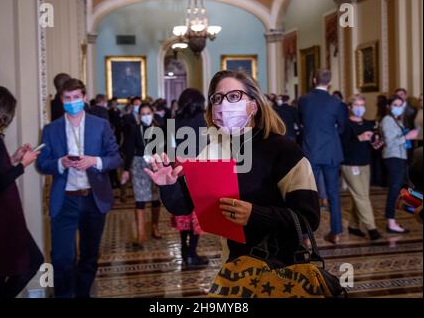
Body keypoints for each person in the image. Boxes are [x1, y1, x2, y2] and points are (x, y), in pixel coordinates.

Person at [146, 70, 320, 266]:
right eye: (217, 98)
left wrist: (254, 214)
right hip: (233, 265)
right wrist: (169, 184)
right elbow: (183, 206)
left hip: (281, 265)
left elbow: (308, 218)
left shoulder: (285, 150)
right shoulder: (215, 149)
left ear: (253, 105)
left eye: (234, 96)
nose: (223, 104)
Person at [37, 79, 122, 298]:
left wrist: (94, 161)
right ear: (61, 100)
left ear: (84, 98)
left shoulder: (100, 125)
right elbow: (42, 163)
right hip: (65, 199)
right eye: (68, 98)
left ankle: (82, 293)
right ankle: (65, 295)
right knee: (62, 257)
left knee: (89, 256)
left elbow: (115, 158)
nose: (72, 102)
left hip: (93, 198)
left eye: (76, 97)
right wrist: (60, 163)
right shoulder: (51, 129)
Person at [0, 86, 44, 298]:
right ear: (2, 111)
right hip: (0, 216)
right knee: (32, 262)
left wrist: (12, 160)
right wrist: (23, 164)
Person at [298, 69, 346, 244]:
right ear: (330, 83)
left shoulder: (304, 100)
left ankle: (306, 236)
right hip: (331, 152)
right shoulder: (336, 102)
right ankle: (336, 232)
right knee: (333, 194)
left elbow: (300, 122)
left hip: (311, 150)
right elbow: (342, 127)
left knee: (307, 194)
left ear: (313, 80)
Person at [171, 88, 209, 267]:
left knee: (183, 210)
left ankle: (184, 249)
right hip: (199, 168)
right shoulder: (204, 120)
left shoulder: (174, 120)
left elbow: (170, 146)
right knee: (196, 214)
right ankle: (192, 253)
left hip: (178, 167)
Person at [121, 103, 163, 251]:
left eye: (148, 113)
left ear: (153, 113)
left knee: (156, 197)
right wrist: (126, 170)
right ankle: (141, 235)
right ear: (139, 116)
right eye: (143, 113)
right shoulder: (134, 129)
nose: (146, 116)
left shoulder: (159, 128)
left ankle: (155, 227)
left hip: (156, 163)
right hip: (139, 164)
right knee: (140, 199)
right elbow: (129, 150)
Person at [340, 95, 382, 241]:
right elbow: (342, 146)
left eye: (361, 104)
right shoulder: (345, 124)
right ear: (350, 107)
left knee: (360, 196)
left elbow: (371, 145)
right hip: (350, 164)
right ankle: (372, 228)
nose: (359, 108)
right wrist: (359, 138)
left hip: (365, 163)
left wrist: (375, 144)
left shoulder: (368, 124)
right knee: (361, 196)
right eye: (356, 105)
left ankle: (353, 225)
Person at [380, 95, 419, 234]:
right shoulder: (387, 120)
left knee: (397, 189)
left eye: (400, 105)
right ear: (389, 106)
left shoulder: (396, 120)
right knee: (394, 189)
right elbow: (390, 142)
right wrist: (407, 137)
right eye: (395, 105)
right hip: (393, 157)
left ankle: (392, 219)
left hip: (400, 156)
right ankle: (390, 222)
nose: (398, 108)